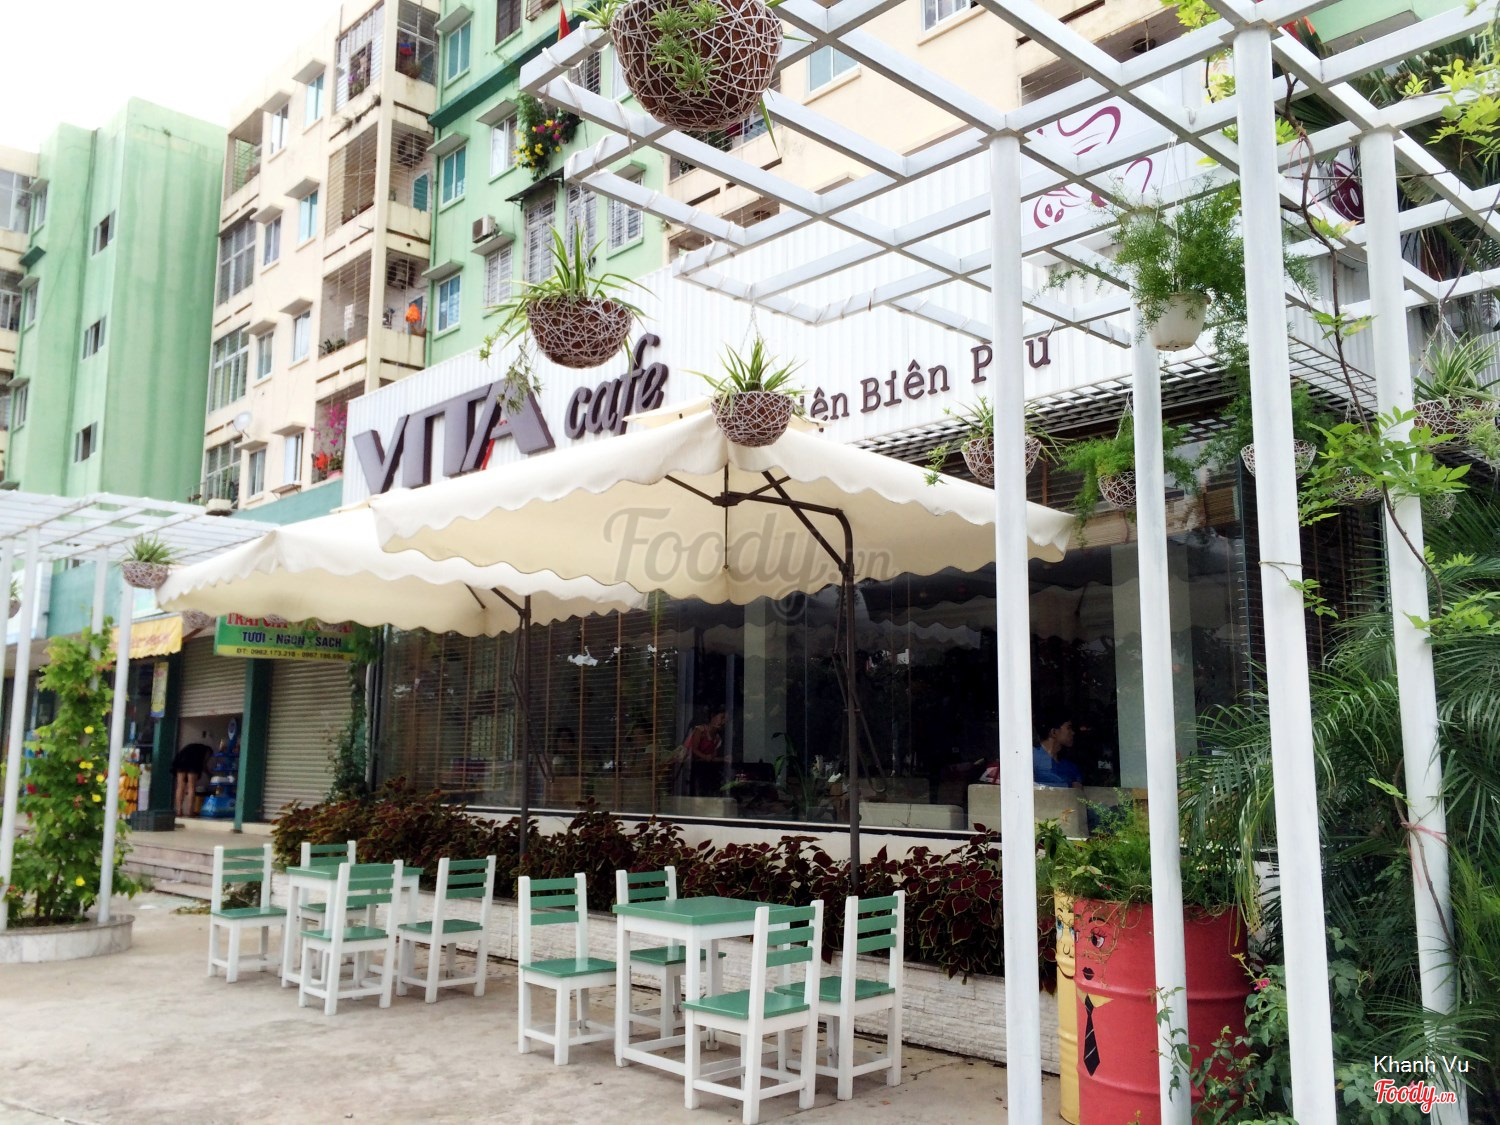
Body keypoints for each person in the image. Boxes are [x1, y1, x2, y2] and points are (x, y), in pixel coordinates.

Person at [684, 707, 728, 797]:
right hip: (690, 767)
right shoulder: (700, 730)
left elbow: (712, 758)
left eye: (726, 720)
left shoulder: (717, 739)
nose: (723, 722)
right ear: (712, 716)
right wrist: (705, 756)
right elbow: (693, 749)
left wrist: (724, 759)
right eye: (722, 717)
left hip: (704, 770)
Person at [1032, 711, 1083, 788]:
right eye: (1068, 728)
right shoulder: (1032, 757)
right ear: (1054, 732)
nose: (1072, 733)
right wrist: (1067, 786)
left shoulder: (1070, 766)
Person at [171, 736, 212, 817]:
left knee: (180, 786)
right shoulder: (207, 750)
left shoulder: (190, 747)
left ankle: (179, 810)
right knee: (191, 786)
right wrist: (209, 774)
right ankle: (190, 811)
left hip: (181, 760)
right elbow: (204, 764)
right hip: (193, 762)